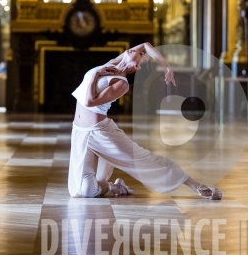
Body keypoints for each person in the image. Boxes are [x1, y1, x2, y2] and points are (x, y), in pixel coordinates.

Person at [68, 43, 222, 200]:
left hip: (101, 133)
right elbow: (145, 45)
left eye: (141, 55)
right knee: (85, 190)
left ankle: (196, 186)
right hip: (80, 132)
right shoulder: (112, 63)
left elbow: (89, 102)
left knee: (146, 161)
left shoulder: (121, 83)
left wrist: (95, 76)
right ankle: (114, 187)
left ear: (137, 66)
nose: (136, 50)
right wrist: (166, 65)